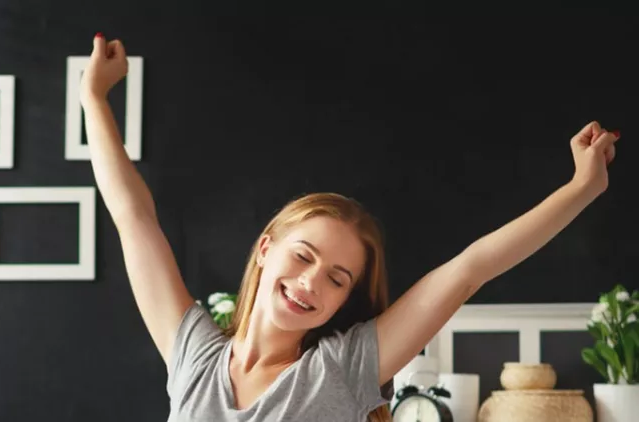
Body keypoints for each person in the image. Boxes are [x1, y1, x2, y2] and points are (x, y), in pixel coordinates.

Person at [79, 33, 621, 422]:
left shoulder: (341, 369)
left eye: (338, 278)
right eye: (303, 255)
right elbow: (133, 217)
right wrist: (93, 99)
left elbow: (469, 270)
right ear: (265, 249)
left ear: (345, 301)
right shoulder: (193, 354)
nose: (312, 282)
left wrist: (581, 189)